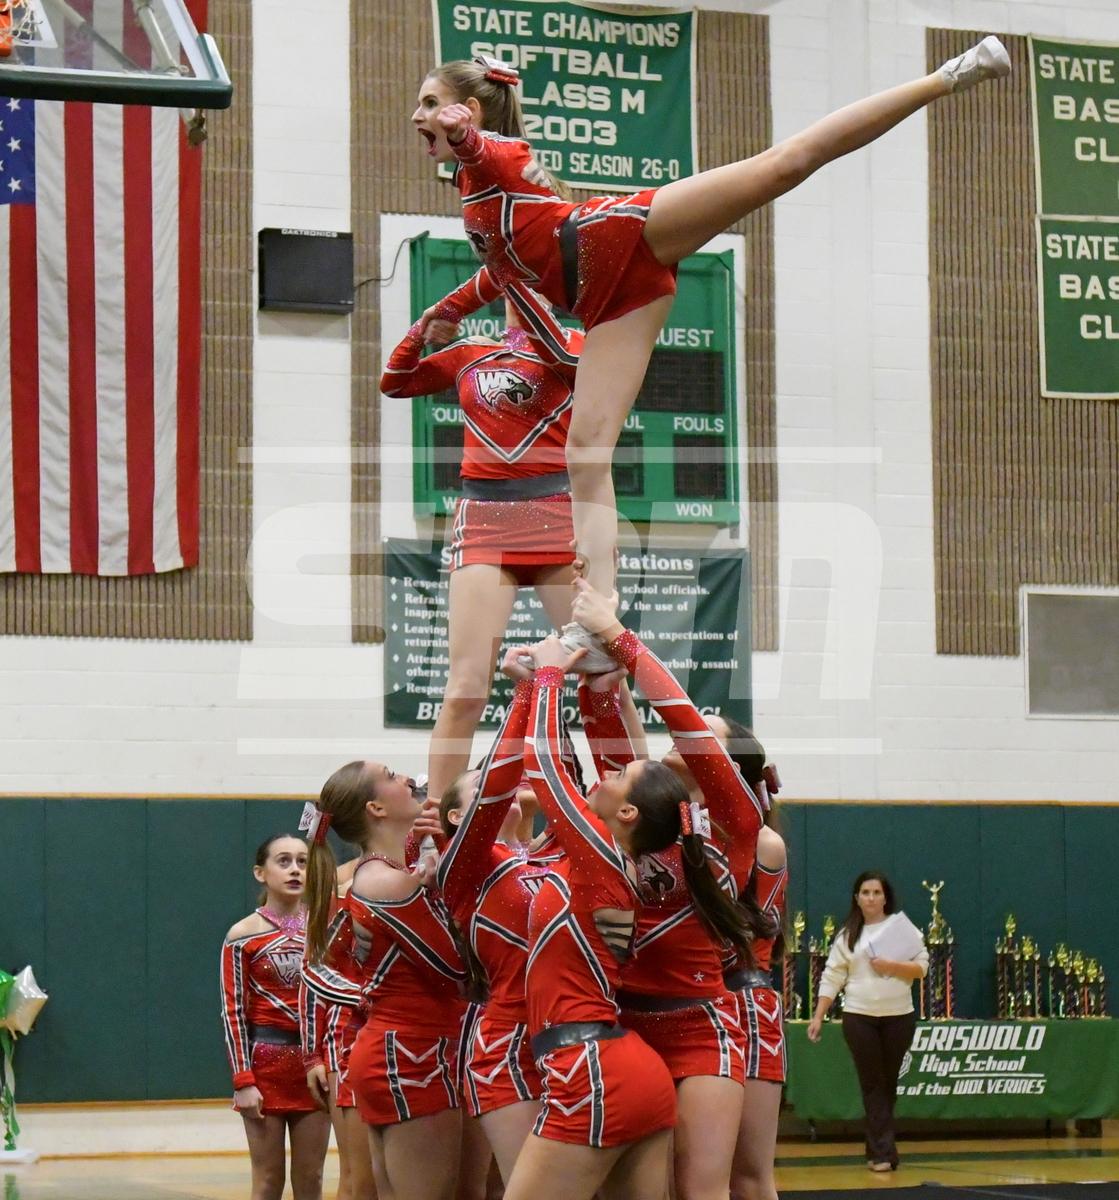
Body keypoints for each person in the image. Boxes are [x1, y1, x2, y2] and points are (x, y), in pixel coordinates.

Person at [411, 38, 1011, 603]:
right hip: (609, 303)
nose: (419, 115)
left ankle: (950, 74)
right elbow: (509, 270)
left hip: (616, 240)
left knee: (782, 165)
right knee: (586, 454)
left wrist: (468, 139)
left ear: (469, 111)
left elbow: (499, 152)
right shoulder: (474, 189)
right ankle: (597, 614)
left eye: (431, 103)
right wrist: (452, 309)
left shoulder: (497, 159)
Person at [569, 581, 765, 1200]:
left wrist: (619, 637)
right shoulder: (634, 817)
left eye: (707, 731)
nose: (690, 732)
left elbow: (683, 720)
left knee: (702, 1189)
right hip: (623, 1024)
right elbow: (607, 741)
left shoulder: (736, 824)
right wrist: (599, 673)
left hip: (703, 1025)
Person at [380, 286, 583, 801]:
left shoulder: (576, 345)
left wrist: (508, 280)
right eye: (519, 277)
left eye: (538, 277)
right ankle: (438, 816)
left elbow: (560, 357)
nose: (526, 286)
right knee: (467, 687)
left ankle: (627, 799)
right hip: (485, 519)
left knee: (602, 673)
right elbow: (394, 382)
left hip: (556, 515)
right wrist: (426, 324)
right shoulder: (472, 352)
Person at [301, 764, 467, 1200]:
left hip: (403, 1049)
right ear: (375, 808)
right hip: (411, 1055)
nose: (408, 780)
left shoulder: (386, 874)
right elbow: (457, 969)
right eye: (393, 776)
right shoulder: (387, 882)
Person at [220, 835, 331, 1200]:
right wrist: (243, 1080)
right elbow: (233, 1013)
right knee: (268, 1180)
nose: (295, 870)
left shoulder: (323, 930)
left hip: (314, 1069)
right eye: (283, 861)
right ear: (260, 873)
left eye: (302, 862)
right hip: (265, 1067)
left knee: (311, 1178)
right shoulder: (242, 936)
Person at [807, 872, 929, 1173]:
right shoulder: (847, 935)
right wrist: (819, 1015)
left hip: (899, 1016)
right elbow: (832, 976)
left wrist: (892, 966)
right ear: (856, 898)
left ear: (885, 897)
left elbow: (922, 968)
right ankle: (884, 1153)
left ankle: (878, 1149)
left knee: (888, 1084)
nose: (871, 898)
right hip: (859, 1017)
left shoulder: (901, 928)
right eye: (865, 892)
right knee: (873, 1083)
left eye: (876, 892)